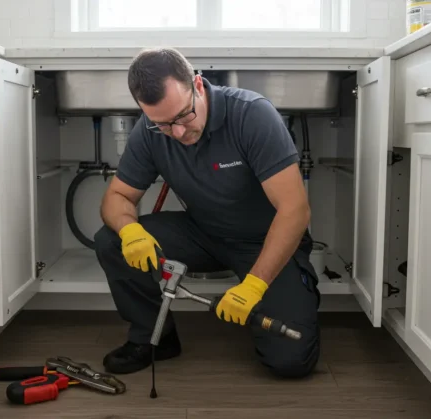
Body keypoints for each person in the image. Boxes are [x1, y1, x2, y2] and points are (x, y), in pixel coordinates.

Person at [93, 47, 320, 378]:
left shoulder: (251, 115)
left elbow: (295, 210)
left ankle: (278, 299)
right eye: (162, 124)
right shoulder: (149, 130)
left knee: (290, 361)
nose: (178, 133)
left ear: (198, 86)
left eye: (183, 116)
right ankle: (155, 337)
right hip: (203, 234)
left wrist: (255, 286)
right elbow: (117, 197)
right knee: (111, 240)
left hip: (265, 241)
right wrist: (130, 231)